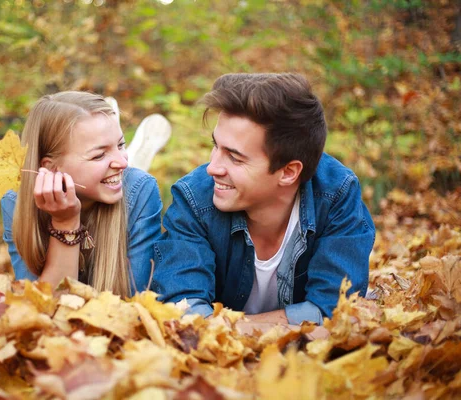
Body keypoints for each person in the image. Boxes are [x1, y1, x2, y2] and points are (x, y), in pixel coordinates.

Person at [151, 73, 375, 325]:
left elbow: (335, 312)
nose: (213, 168)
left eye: (234, 157)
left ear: (288, 172)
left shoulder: (336, 195)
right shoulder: (194, 198)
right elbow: (183, 311)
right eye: (216, 146)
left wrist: (236, 328)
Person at [1, 91, 163, 296]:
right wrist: (65, 222)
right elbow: (44, 310)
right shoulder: (16, 203)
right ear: (50, 168)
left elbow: (133, 305)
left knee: (129, 177)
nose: (123, 162)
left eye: (121, 145)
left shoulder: (141, 191)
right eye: (99, 155)